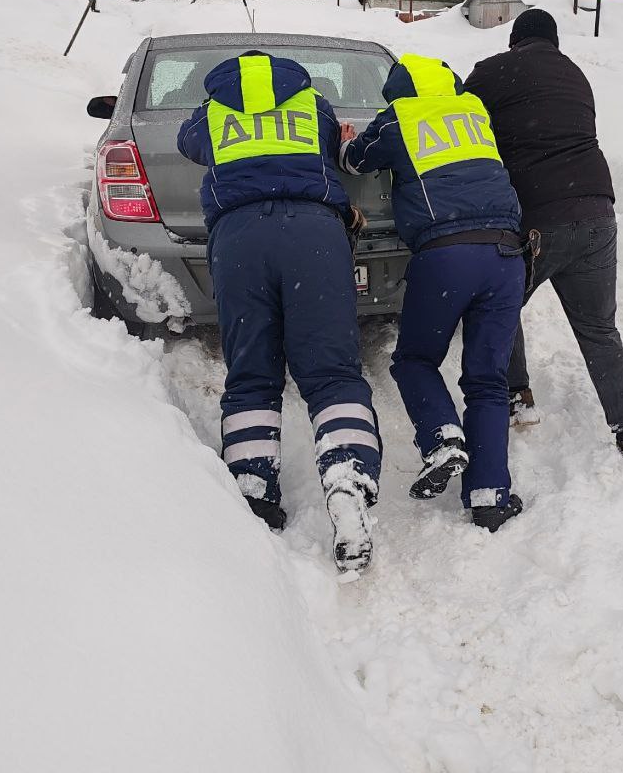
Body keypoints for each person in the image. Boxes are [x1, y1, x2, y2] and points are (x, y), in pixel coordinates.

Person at [177, 51, 382, 573]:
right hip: (315, 232)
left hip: (240, 237)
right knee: (333, 370)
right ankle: (348, 481)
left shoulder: (211, 113)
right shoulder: (314, 105)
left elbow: (188, 144)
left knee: (252, 371)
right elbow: (336, 142)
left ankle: (254, 488)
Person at [340, 53, 526, 531]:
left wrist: (345, 144)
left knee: (415, 360)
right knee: (487, 380)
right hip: (507, 255)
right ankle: (489, 496)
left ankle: (443, 438)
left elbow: (357, 160)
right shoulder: (474, 111)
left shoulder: (399, 117)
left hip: (447, 257)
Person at [464, 8, 623, 466]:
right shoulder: (576, 75)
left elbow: (461, 120)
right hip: (598, 210)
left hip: (539, 215)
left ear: (514, 40)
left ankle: (516, 395)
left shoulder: (494, 70)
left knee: (500, 306)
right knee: (600, 328)